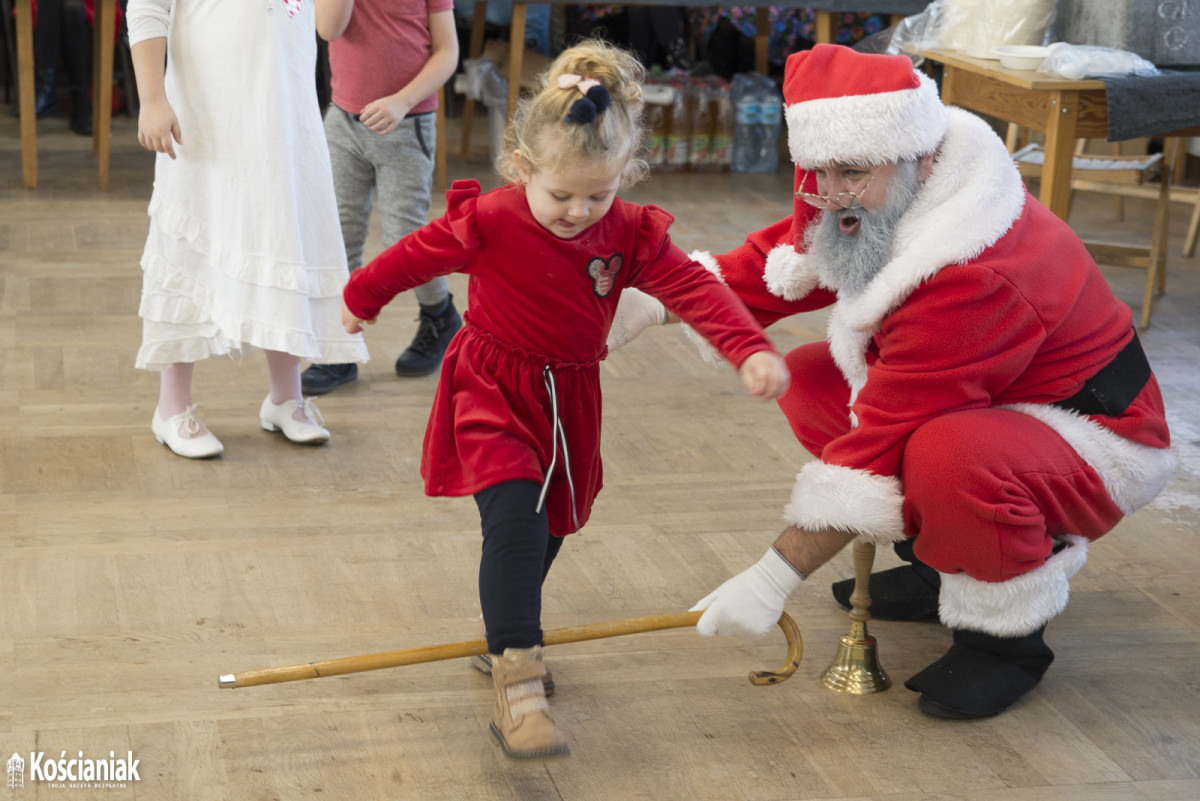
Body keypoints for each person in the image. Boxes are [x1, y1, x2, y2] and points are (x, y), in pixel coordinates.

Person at [608, 44, 1175, 720]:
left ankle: (1005, 637)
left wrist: (774, 573)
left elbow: (883, 437)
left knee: (951, 455)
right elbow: (788, 259)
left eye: (851, 173)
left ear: (921, 157)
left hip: (1096, 435)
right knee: (815, 380)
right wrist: (654, 301)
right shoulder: (865, 176)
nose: (830, 192)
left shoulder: (974, 267)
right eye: (818, 173)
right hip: (994, 400)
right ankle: (946, 558)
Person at [341, 40, 790, 758]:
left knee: (549, 526)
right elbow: (413, 254)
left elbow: (695, 288)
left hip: (571, 397)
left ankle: (507, 626)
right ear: (523, 169)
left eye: (598, 194)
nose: (579, 211)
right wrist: (361, 298)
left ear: (625, 174)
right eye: (561, 194)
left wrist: (749, 347)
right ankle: (519, 680)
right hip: (491, 384)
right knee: (514, 518)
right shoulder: (491, 217)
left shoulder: (630, 232)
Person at [128, 0, 368, 458]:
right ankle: (171, 405)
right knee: (190, 249)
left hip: (282, 121)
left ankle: (285, 396)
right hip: (207, 123)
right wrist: (153, 98)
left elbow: (328, 26)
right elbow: (146, 8)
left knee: (283, 237)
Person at [300, 0, 461, 395]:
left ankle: (440, 315)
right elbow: (328, 30)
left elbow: (447, 52)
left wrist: (403, 100)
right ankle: (339, 349)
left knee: (404, 240)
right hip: (344, 123)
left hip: (407, 124)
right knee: (339, 235)